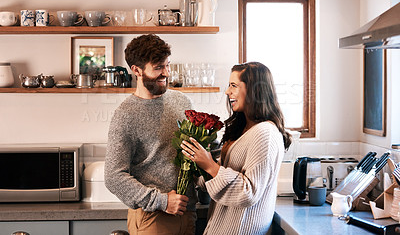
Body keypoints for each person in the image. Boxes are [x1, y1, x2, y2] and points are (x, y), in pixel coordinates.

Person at [181, 62, 292, 235]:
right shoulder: (243, 129)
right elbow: (217, 179)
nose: (227, 92)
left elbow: (249, 192)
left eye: (234, 85)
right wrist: (195, 164)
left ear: (255, 90)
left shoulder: (265, 133)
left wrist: (209, 165)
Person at [104, 34, 197, 235]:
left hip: (187, 213)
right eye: (158, 67)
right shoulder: (125, 115)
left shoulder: (182, 102)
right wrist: (162, 201)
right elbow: (113, 177)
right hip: (153, 217)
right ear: (136, 70)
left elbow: (196, 153)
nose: (166, 73)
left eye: (168, 65)